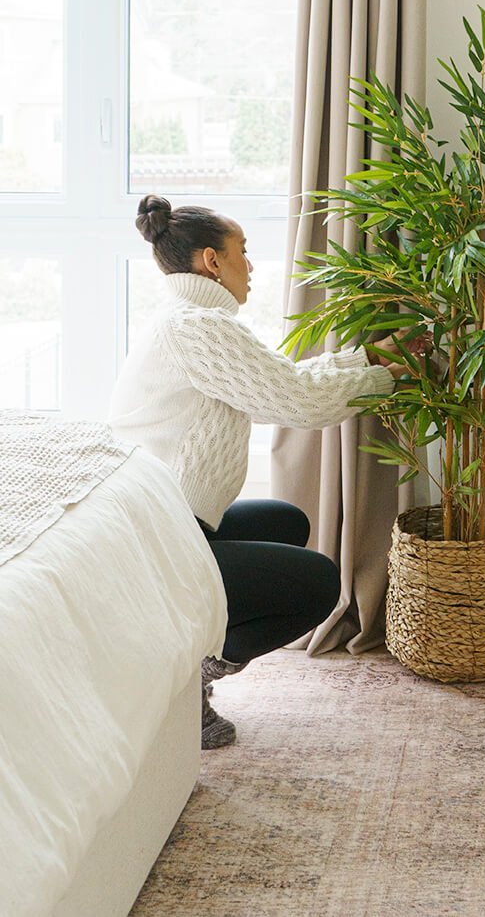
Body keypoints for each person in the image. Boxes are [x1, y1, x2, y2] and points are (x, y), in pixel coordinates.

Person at [110, 194, 414, 750]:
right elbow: (297, 399)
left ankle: (188, 664)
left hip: (170, 516)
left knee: (283, 520)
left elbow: (280, 380)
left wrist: (369, 359)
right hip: (157, 531)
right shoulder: (197, 327)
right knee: (316, 582)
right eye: (242, 250)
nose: (250, 265)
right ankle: (185, 678)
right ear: (212, 261)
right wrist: (385, 377)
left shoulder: (191, 321)